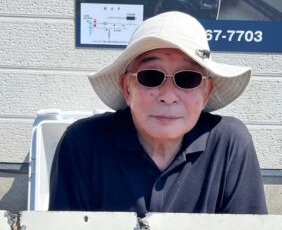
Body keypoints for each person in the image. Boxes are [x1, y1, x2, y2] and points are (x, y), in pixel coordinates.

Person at [49, 11, 267, 215]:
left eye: (188, 78)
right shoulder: (83, 143)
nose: (169, 96)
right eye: (151, 76)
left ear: (206, 92)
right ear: (127, 88)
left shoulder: (229, 144)